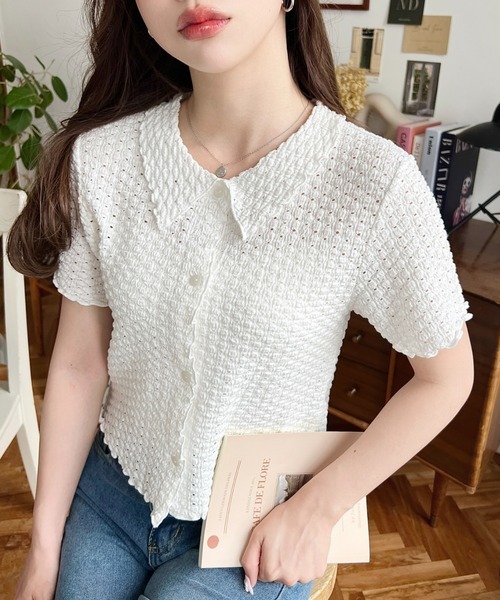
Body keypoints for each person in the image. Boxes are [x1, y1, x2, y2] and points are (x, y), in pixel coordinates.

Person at [8, 1, 474, 599]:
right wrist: (43, 545)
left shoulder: (372, 182)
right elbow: (78, 365)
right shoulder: (103, 159)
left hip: (256, 527)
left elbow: (446, 377)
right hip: (111, 492)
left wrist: (319, 507)